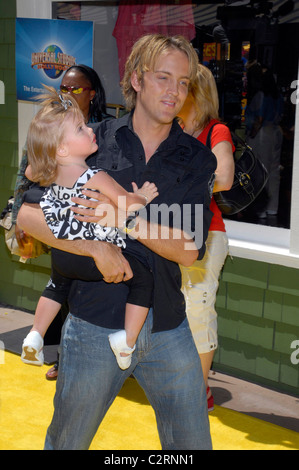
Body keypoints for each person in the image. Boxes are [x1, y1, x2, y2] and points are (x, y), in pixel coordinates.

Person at [17, 34, 216, 450]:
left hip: (167, 325)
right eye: (164, 77)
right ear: (137, 79)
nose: (175, 91)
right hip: (91, 325)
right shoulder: (89, 140)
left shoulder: (196, 159)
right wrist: (94, 247)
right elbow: (26, 213)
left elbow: (189, 248)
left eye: (183, 82)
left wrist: (119, 216)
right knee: (67, 442)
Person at [21, 87, 158, 370]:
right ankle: (127, 342)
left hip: (63, 252)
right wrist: (142, 195)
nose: (89, 130)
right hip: (95, 256)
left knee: (56, 288)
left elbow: (30, 172)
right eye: (81, 129)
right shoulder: (94, 176)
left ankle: (35, 334)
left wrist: (45, 152)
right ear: (62, 148)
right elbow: (127, 204)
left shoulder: (49, 172)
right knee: (144, 280)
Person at [13, 64, 112, 380]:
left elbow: (32, 172)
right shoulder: (54, 130)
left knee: (61, 288)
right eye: (65, 89)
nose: (69, 94)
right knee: (66, 290)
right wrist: (19, 217)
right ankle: (67, 356)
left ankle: (43, 340)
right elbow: (26, 175)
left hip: (79, 229)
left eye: (77, 89)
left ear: (92, 93)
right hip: (70, 231)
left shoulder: (103, 132)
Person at [177, 64, 235, 411]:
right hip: (171, 230)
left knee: (197, 310)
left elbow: (224, 177)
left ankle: (200, 392)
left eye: (183, 85)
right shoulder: (175, 130)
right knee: (173, 308)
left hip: (207, 233)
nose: (174, 93)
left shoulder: (217, 130)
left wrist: (181, 183)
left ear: (196, 92)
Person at [245, 67, 284, 218]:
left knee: (260, 170)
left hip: (262, 133)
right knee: (273, 170)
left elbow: (258, 119)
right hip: (276, 131)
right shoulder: (278, 96)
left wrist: (252, 135)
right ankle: (272, 207)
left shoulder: (261, 95)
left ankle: (260, 209)